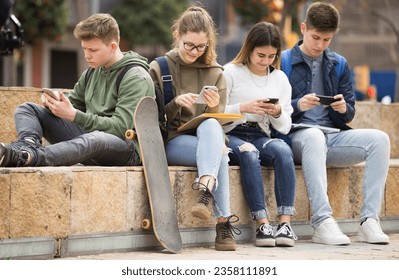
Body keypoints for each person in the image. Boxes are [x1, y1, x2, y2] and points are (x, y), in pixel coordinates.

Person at [281, 2, 390, 245]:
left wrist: (343, 108)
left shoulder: (338, 63)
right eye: (315, 37)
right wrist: (299, 105)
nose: (319, 45)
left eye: (326, 40)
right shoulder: (284, 61)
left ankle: (369, 221)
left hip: (331, 137)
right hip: (297, 137)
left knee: (380, 140)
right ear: (303, 28)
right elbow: (274, 110)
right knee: (313, 136)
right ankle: (322, 221)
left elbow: (349, 112)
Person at [0, 13, 154, 167]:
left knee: (96, 138)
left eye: (93, 50)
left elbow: (120, 127)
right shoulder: (91, 72)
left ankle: (30, 157)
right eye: (84, 49)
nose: (87, 55)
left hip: (125, 149)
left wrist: (74, 115)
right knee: (27, 109)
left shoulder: (136, 77)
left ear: (113, 47)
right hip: (89, 142)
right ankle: (25, 148)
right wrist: (55, 105)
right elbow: (73, 105)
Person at [149, 5, 240, 251]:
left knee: (212, 126)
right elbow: (152, 120)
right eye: (189, 45)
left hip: (208, 139)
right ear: (177, 35)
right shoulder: (159, 68)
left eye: (201, 47)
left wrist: (212, 109)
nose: (194, 52)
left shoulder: (216, 72)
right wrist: (175, 103)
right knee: (219, 153)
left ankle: (205, 187)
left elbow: (220, 122)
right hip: (173, 140)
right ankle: (223, 224)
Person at [223, 22, 297, 247]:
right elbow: (214, 113)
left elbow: (285, 127)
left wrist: (277, 112)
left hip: (262, 134)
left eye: (271, 56)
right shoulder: (230, 72)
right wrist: (242, 107)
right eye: (260, 55)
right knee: (249, 153)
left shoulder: (280, 79)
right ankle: (262, 223)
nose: (265, 61)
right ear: (249, 49)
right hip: (233, 133)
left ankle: (285, 224)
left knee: (283, 150)